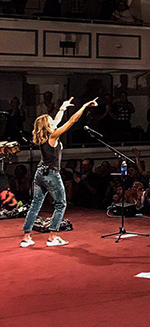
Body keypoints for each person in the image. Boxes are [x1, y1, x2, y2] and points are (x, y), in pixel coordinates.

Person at [21, 96, 98, 248]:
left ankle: (26, 237)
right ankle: (52, 236)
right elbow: (72, 121)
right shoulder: (53, 136)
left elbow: (56, 121)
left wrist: (63, 107)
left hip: (39, 174)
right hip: (51, 174)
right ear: (47, 125)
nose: (53, 122)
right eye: (50, 121)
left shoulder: (43, 136)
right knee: (61, 204)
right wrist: (83, 106)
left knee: (35, 204)